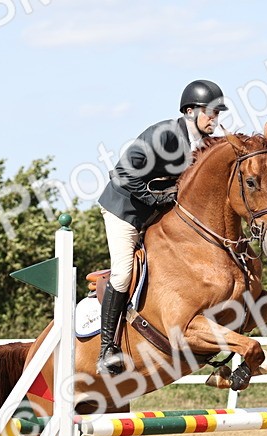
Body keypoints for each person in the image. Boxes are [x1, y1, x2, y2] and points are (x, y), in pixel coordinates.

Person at [94, 79, 228, 375]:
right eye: (212, 112)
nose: (215, 119)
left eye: (219, 114)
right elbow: (122, 174)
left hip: (155, 214)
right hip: (125, 210)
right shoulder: (164, 135)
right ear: (191, 112)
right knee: (123, 271)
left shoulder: (206, 145)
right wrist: (157, 198)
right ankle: (106, 350)